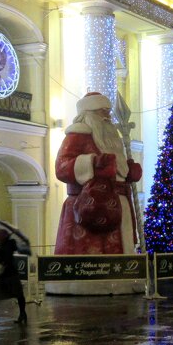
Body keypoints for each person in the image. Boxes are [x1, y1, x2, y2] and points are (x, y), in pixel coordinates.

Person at [54, 92, 143, 255]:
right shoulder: (77, 135)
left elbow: (118, 170)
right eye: (103, 112)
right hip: (90, 208)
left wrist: (127, 170)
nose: (108, 117)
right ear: (90, 113)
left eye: (108, 112)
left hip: (120, 205)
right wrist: (92, 163)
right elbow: (61, 167)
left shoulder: (112, 140)